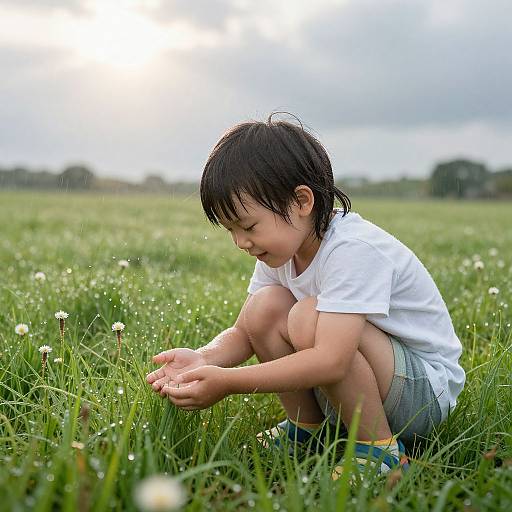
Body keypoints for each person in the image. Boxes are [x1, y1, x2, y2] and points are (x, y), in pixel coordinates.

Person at [146, 113, 465, 477]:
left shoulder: (353, 249)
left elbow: (331, 360)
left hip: (422, 395)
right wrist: (205, 360)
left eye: (248, 226)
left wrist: (229, 383)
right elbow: (244, 333)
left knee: (307, 316)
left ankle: (379, 449)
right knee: (263, 308)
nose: (240, 242)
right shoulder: (282, 248)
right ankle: (307, 429)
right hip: (367, 383)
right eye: (230, 230)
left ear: (301, 201)